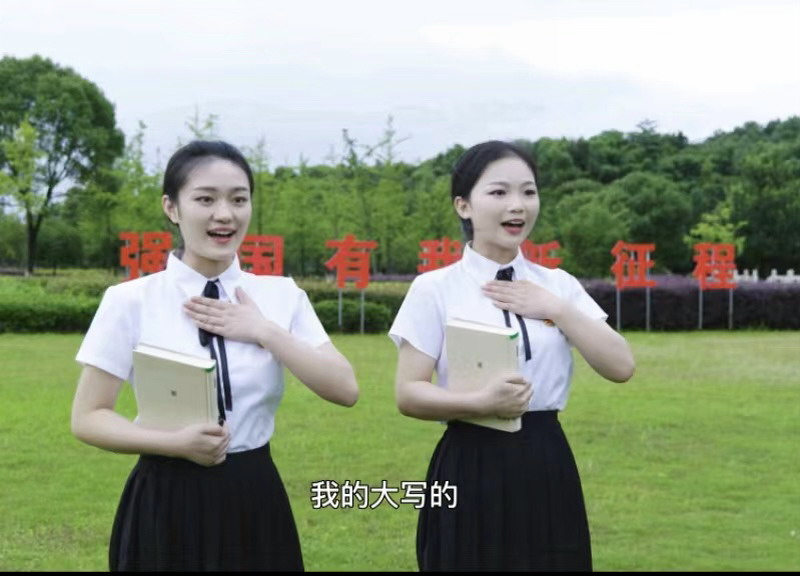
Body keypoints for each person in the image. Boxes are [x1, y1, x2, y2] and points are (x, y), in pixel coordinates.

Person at [71, 140, 359, 572]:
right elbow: (88, 417)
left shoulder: (280, 295)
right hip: (165, 497)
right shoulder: (130, 300)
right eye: (205, 199)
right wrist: (173, 444)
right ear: (172, 208)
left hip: (254, 494)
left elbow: (345, 389)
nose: (225, 214)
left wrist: (263, 330)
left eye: (238, 200)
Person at [388, 140, 635, 572]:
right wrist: (480, 403)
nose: (517, 205)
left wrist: (556, 308)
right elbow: (409, 393)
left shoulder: (557, 284)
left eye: (528, 191)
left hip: (545, 458)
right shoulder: (435, 289)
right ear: (464, 206)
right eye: (499, 192)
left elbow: (621, 366)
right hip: (469, 460)